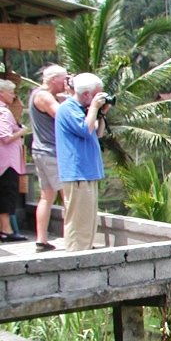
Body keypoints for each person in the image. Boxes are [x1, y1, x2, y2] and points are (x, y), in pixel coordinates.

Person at [55, 72, 110, 252]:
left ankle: (85, 251)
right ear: (86, 94)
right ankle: (75, 255)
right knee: (78, 221)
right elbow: (86, 129)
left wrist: (101, 113)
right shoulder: (67, 108)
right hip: (77, 172)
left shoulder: (82, 110)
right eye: (97, 95)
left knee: (88, 220)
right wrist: (94, 108)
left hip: (88, 171)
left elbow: (97, 133)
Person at [29, 64, 69, 252]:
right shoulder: (44, 96)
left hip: (40, 150)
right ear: (54, 80)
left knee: (46, 197)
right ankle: (74, 238)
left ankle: (41, 239)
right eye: (64, 79)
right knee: (68, 196)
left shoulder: (37, 94)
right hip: (52, 152)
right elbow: (62, 115)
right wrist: (70, 98)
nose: (66, 82)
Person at [0, 79, 28, 243]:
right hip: (7, 161)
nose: (13, 96)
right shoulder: (3, 112)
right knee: (7, 193)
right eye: (10, 92)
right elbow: (6, 137)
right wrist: (22, 130)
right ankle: (6, 229)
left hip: (5, 160)